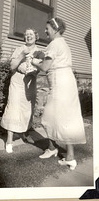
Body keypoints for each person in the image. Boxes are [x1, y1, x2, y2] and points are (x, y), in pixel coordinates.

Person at [31, 18, 86, 170]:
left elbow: (45, 67)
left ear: (55, 30)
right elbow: (53, 61)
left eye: (47, 28)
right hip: (67, 81)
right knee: (65, 118)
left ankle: (53, 149)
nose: (45, 31)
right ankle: (69, 157)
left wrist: (34, 61)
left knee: (48, 117)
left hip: (60, 83)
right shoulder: (63, 43)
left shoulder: (54, 44)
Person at [0, 28, 39, 153]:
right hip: (17, 82)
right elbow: (12, 66)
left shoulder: (39, 51)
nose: (28, 36)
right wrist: (22, 54)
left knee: (27, 109)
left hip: (30, 84)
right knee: (13, 108)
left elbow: (40, 68)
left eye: (31, 34)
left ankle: (24, 133)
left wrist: (33, 71)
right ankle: (9, 140)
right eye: (26, 34)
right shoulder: (18, 49)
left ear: (36, 37)